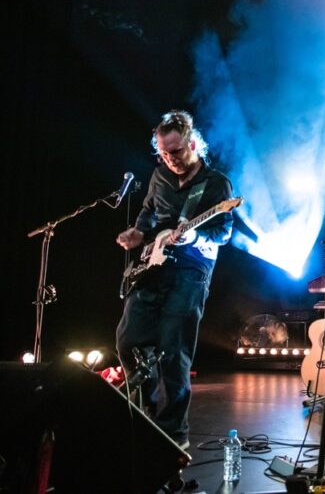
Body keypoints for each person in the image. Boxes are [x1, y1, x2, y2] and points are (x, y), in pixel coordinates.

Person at [115, 110, 235, 449]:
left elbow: (223, 233)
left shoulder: (216, 184)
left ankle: (173, 437)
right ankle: (149, 413)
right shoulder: (159, 176)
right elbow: (148, 211)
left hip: (191, 270)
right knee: (127, 341)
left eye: (176, 152)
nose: (171, 160)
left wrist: (193, 237)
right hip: (153, 266)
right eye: (164, 154)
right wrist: (138, 232)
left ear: (193, 144)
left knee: (173, 351)